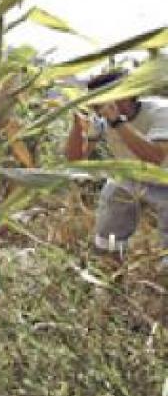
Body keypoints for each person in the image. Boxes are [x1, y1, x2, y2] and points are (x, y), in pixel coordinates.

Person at [65, 69, 168, 269]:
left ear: (127, 94)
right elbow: (76, 158)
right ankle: (110, 271)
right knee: (113, 200)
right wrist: (78, 127)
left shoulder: (161, 111)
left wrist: (117, 121)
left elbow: (155, 157)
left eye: (102, 99)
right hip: (132, 177)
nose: (97, 106)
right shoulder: (102, 118)